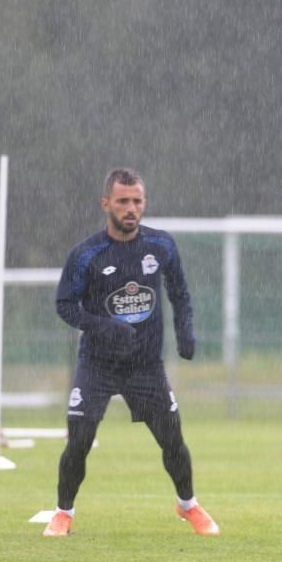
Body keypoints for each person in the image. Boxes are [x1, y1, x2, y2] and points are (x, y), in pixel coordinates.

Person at [43, 168, 219, 537]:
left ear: (144, 204)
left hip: (146, 366)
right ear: (106, 203)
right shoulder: (87, 254)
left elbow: (180, 293)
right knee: (79, 439)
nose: (130, 208)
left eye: (137, 201)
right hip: (98, 364)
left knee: (173, 439)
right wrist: (105, 327)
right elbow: (65, 305)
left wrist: (185, 333)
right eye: (123, 201)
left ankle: (188, 505)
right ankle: (63, 512)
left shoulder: (161, 246)